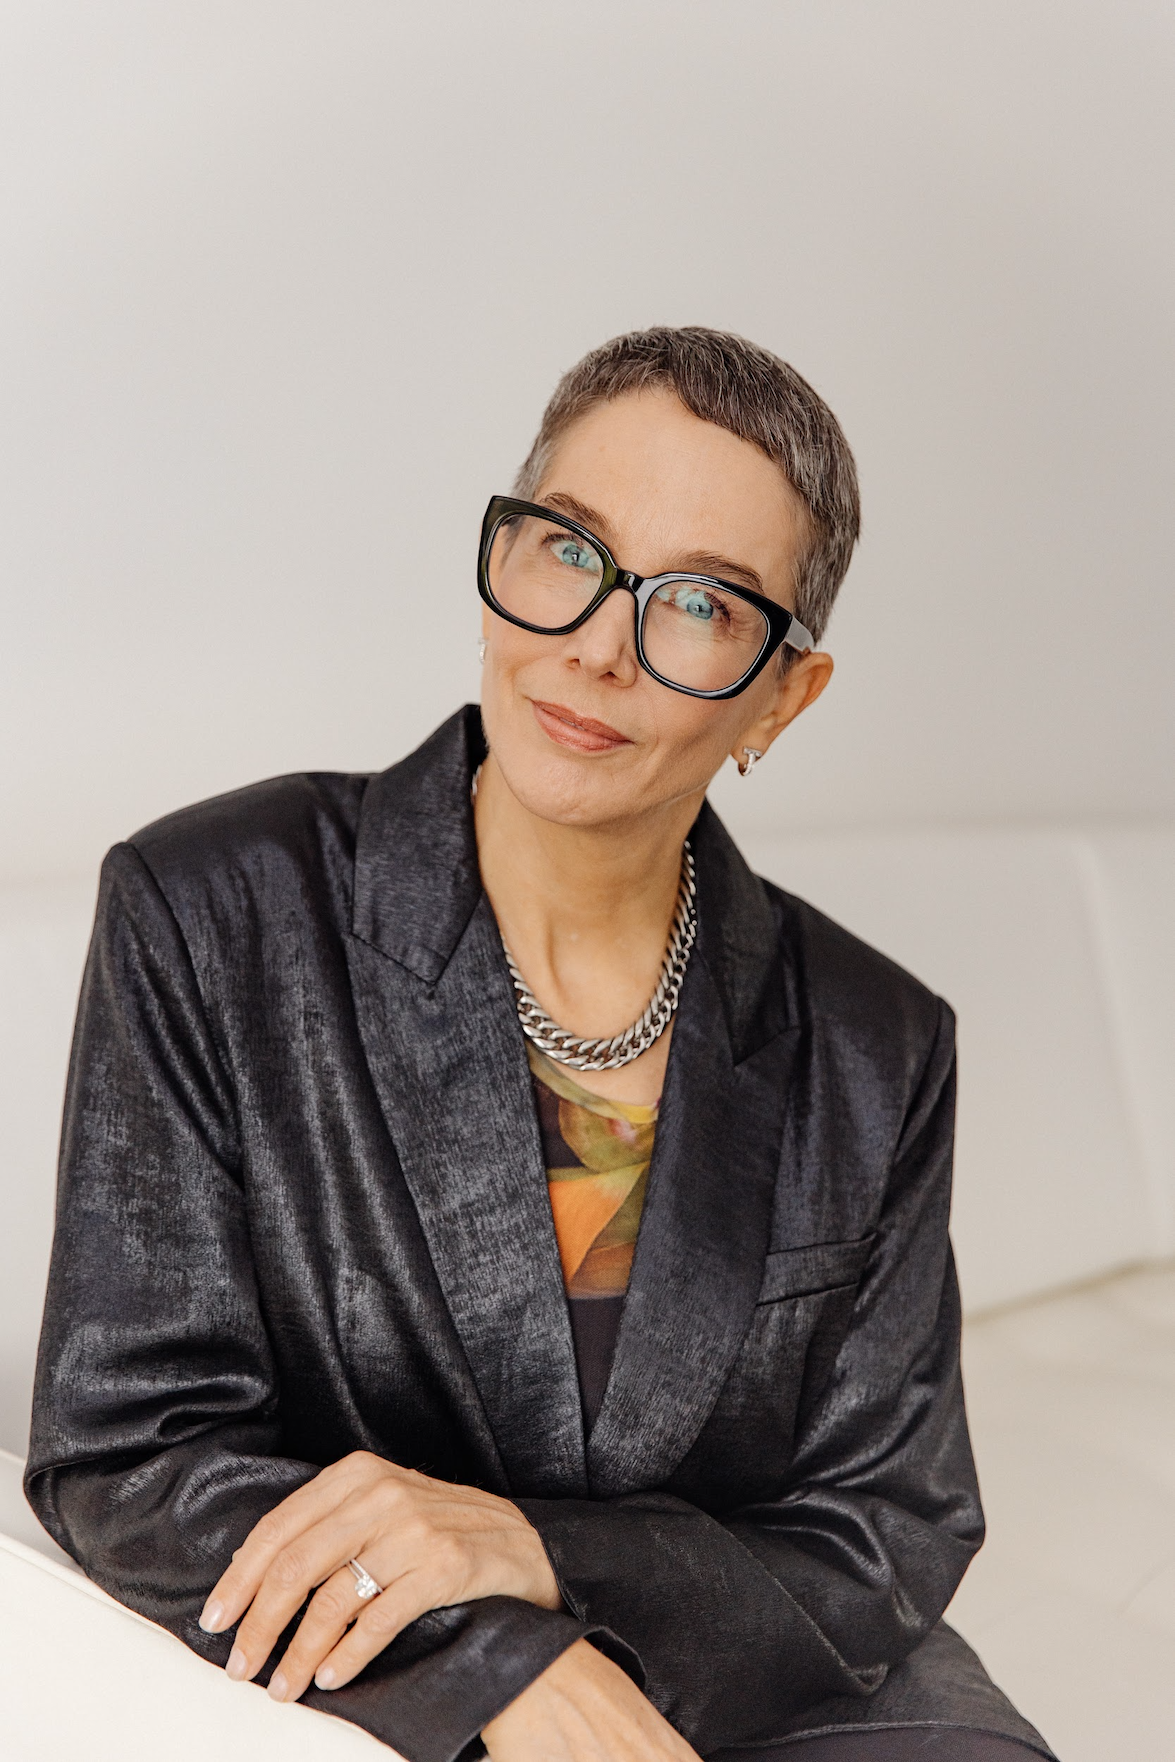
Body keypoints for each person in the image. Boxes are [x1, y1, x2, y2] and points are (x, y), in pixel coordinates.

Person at [26, 328, 1055, 1762]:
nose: (595, 645)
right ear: (500, 550)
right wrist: (500, 1661)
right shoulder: (213, 908)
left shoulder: (879, 1041)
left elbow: (887, 1519)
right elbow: (128, 1446)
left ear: (779, 695)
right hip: (386, 1662)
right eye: (568, 548)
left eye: (697, 604)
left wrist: (539, 1558)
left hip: (764, 1662)